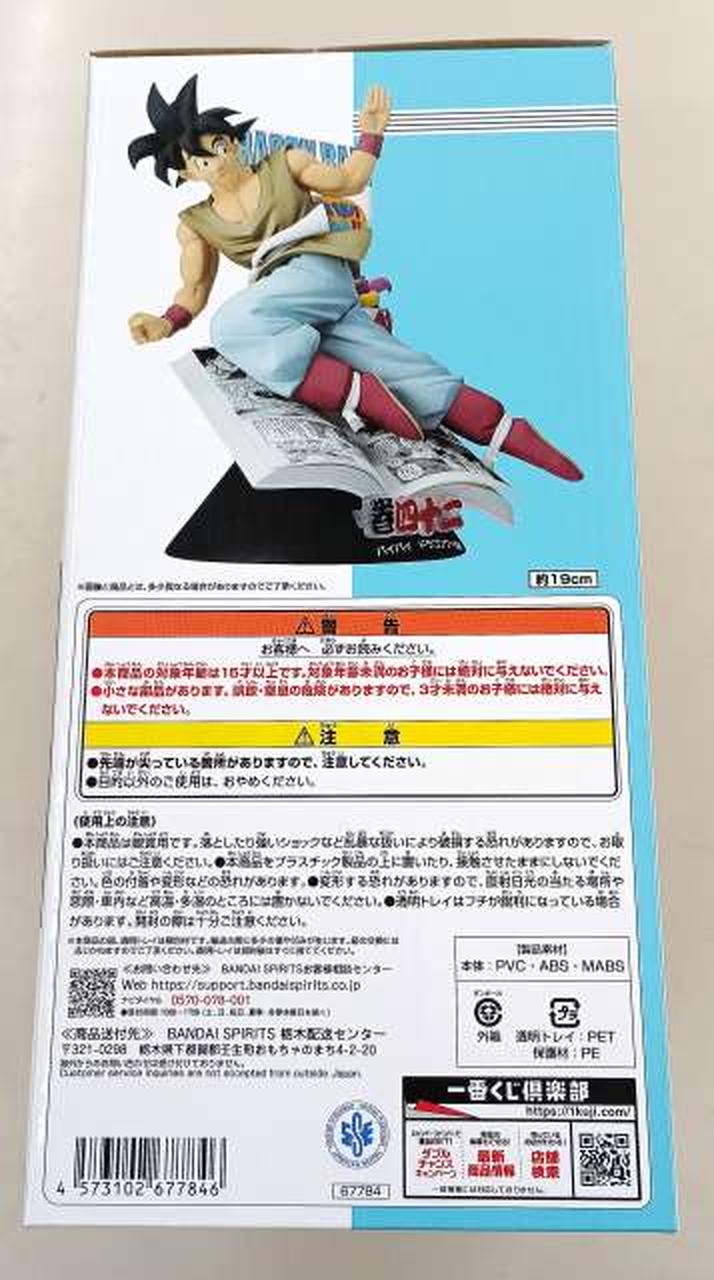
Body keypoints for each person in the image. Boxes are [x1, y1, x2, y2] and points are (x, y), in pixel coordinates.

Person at [128, 75, 582, 481]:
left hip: (318, 270)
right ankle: (507, 430)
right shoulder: (195, 224)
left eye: (219, 145)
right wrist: (165, 322)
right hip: (296, 310)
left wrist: (372, 135)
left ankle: (355, 392)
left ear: (233, 140)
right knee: (408, 375)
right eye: (201, 158)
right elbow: (195, 288)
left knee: (231, 326)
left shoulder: (284, 164)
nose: (218, 159)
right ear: (186, 172)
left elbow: (347, 180)